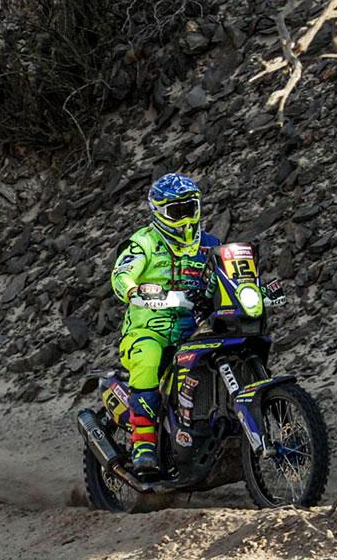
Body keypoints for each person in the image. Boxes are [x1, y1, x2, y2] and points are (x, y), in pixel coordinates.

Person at [109, 173, 219, 472]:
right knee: (148, 356)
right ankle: (144, 444)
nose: (186, 218)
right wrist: (133, 290)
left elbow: (228, 274)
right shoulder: (143, 242)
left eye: (190, 208)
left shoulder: (210, 244)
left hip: (196, 328)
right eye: (177, 211)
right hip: (148, 329)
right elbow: (121, 274)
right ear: (159, 212)